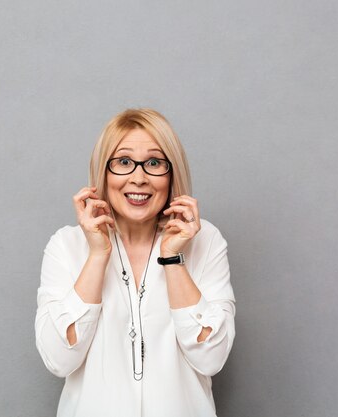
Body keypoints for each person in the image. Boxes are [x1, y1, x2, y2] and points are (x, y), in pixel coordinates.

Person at [35, 108, 236, 417]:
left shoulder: (205, 241)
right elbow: (59, 359)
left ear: (171, 174)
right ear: (103, 172)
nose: (139, 178)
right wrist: (98, 255)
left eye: (154, 163)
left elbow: (211, 357)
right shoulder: (66, 245)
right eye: (124, 162)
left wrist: (172, 258)